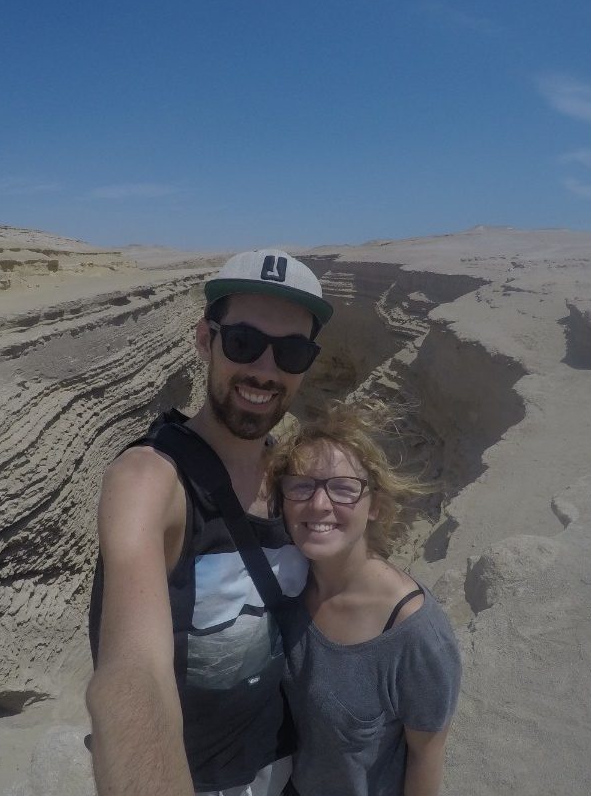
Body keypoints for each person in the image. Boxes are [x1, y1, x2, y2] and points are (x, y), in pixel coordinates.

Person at [86, 249, 333, 796]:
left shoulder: (294, 476)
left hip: (290, 762)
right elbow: (134, 676)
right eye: (243, 343)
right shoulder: (149, 481)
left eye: (291, 352)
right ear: (205, 340)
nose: (266, 371)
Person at [266, 402, 461, 796]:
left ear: (374, 506)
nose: (319, 504)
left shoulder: (415, 636)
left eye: (342, 488)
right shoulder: (287, 588)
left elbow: (426, 756)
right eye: (301, 485)